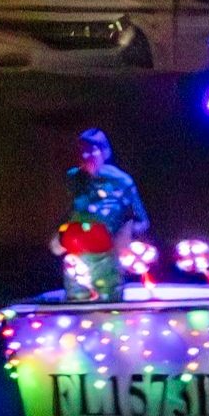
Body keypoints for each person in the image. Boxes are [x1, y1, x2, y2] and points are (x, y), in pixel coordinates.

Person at [57, 128, 148, 302]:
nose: (85, 156)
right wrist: (61, 235)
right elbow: (65, 216)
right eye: (82, 151)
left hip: (109, 260)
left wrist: (125, 234)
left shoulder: (122, 181)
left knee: (110, 310)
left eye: (91, 150)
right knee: (78, 309)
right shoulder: (73, 180)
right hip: (77, 262)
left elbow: (142, 220)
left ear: (104, 152)